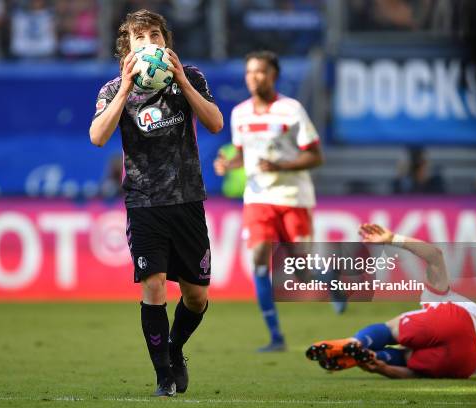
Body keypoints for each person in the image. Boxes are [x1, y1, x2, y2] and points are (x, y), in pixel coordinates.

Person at [89, 9, 223, 397]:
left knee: (196, 297)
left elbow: (215, 123)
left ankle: (175, 348)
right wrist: (128, 86)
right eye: (140, 38)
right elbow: (98, 136)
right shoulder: (113, 90)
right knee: (155, 287)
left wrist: (180, 78)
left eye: (155, 36)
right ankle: (164, 375)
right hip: (144, 201)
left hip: (187, 199)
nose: (149, 44)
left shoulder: (191, 77)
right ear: (127, 49)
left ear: (166, 42)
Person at [214, 50, 334, 353]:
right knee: (257, 259)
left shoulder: (291, 110)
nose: (254, 77)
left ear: (274, 76)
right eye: (249, 72)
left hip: (293, 197)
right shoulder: (239, 113)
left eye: (261, 72)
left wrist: (281, 166)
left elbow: (316, 155)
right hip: (258, 196)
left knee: (299, 271)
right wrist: (229, 164)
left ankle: (330, 279)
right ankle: (275, 336)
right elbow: (242, 154)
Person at [306, 223, 476, 379]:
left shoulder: (435, 297)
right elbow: (415, 374)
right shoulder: (437, 297)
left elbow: (435, 256)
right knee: (409, 358)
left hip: (461, 326)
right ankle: (372, 356)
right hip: (469, 362)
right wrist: (383, 369)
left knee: (394, 335)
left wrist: (391, 239)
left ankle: (357, 342)